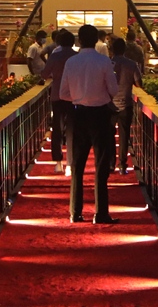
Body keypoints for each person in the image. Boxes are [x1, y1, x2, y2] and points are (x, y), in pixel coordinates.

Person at [58, 24, 119, 223]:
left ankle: (75, 212)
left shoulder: (71, 62)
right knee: (101, 165)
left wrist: (78, 96)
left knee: (77, 166)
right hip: (100, 115)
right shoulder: (103, 61)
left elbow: (63, 94)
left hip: (78, 115)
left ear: (79, 41)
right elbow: (113, 90)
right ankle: (101, 213)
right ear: (96, 40)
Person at [42, 29, 76, 164]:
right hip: (74, 96)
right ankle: (72, 157)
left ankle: (57, 159)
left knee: (57, 126)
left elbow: (44, 74)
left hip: (57, 94)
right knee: (72, 127)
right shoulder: (76, 56)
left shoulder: (55, 56)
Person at [109, 35, 142, 173]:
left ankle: (110, 164)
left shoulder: (107, 63)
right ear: (125, 49)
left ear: (111, 50)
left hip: (109, 105)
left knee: (109, 136)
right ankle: (122, 165)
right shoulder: (131, 64)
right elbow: (139, 83)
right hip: (126, 103)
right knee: (124, 136)